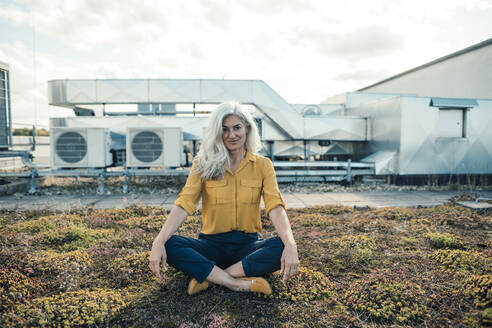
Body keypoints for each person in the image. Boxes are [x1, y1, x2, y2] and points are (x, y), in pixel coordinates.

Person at [149, 101, 299, 295]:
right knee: (170, 244)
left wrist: (290, 244)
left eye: (237, 128)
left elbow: (275, 207)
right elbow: (185, 203)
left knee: (281, 246)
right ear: (217, 133)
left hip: (247, 247)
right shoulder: (202, 164)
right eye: (225, 129)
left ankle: (211, 278)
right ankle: (235, 282)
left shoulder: (263, 165)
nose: (232, 135)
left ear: (247, 128)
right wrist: (158, 241)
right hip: (210, 246)